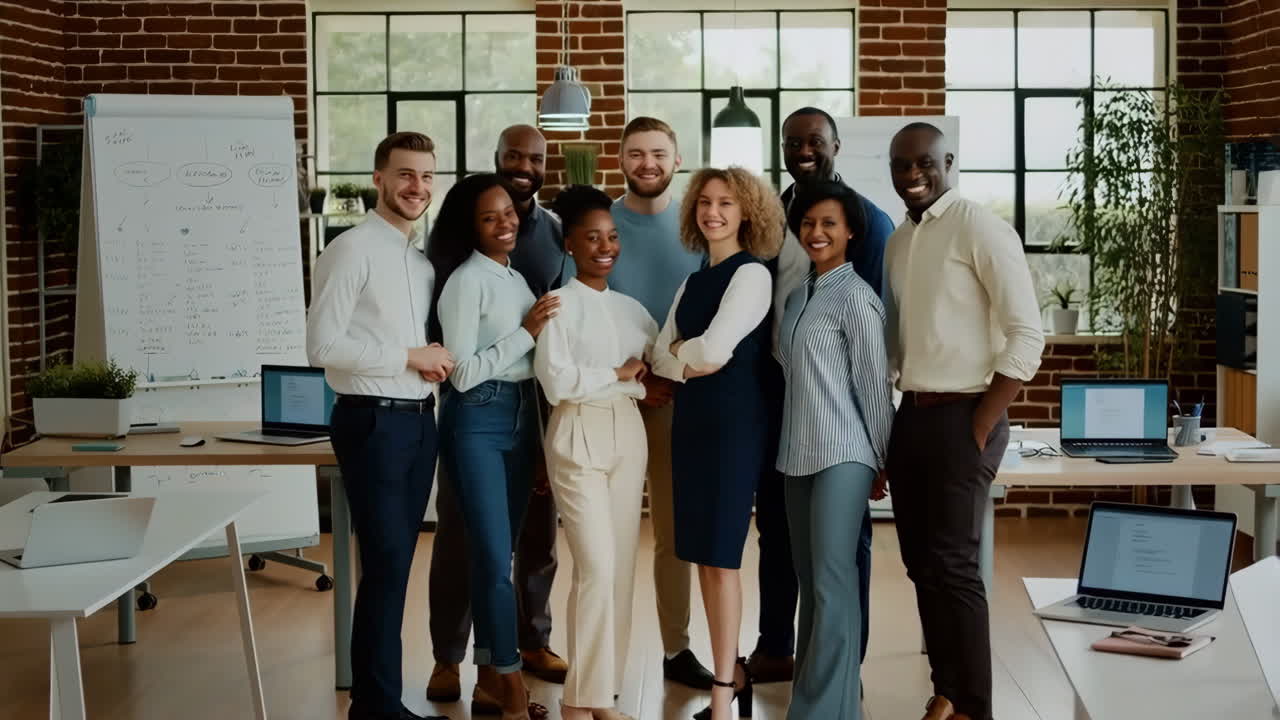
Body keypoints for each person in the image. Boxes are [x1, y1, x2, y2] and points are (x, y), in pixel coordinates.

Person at [883, 123, 1044, 720]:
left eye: (924, 162)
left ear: (948, 161)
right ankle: (946, 688)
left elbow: (1028, 334)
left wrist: (981, 424)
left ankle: (974, 705)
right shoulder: (899, 240)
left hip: (966, 414)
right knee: (920, 563)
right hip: (914, 415)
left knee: (953, 562)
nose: (913, 174)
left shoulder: (980, 226)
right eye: (902, 165)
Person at [306, 131, 454, 720]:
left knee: (396, 565)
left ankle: (378, 699)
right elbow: (321, 346)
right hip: (372, 422)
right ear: (379, 179)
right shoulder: (351, 250)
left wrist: (429, 359)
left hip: (419, 422)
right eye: (404, 174)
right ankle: (375, 704)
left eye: (425, 176)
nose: (416, 187)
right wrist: (408, 358)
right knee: (387, 563)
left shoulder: (418, 261)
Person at [749, 106, 896, 684]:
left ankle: (843, 662)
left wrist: (878, 445)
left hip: (836, 403)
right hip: (776, 394)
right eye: (793, 142)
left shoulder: (867, 220)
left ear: (836, 145)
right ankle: (776, 644)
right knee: (780, 532)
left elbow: (871, 328)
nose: (803, 150)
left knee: (841, 545)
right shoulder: (768, 215)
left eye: (816, 141)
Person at [428, 125, 569, 710]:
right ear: (470, 225)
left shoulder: (512, 276)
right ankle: (510, 684)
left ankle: (489, 675)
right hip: (477, 420)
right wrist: (528, 331)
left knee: (503, 555)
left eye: (508, 213)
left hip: (516, 418)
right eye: (490, 218)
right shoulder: (465, 282)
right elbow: (462, 374)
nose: (505, 222)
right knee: (489, 558)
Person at [651, 167, 785, 720]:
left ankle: (725, 692)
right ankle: (728, 676)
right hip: (692, 426)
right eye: (704, 202)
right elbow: (662, 356)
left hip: (733, 428)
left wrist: (685, 352)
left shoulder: (751, 275)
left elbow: (710, 355)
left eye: (726, 203)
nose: (713, 212)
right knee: (704, 557)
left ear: (747, 211)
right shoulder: (692, 280)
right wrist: (686, 353)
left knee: (723, 559)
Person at [534, 185, 657, 720]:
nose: (605, 246)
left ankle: (600, 696)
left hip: (628, 435)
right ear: (569, 246)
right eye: (592, 238)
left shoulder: (633, 311)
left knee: (622, 567)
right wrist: (618, 374)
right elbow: (557, 383)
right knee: (596, 567)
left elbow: (658, 365)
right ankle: (579, 701)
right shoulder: (556, 308)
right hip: (577, 434)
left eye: (611, 236)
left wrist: (641, 377)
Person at [776, 180, 894, 719]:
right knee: (812, 582)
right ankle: (834, 706)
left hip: (846, 452)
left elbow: (873, 385)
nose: (816, 232)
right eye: (807, 223)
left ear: (850, 232)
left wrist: (882, 459)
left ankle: (816, 712)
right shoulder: (799, 295)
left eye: (828, 223)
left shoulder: (859, 298)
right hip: (796, 454)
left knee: (831, 580)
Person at [608, 116, 715, 690]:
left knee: (675, 535)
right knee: (610, 535)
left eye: (658, 152)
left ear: (677, 159)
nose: (647, 163)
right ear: (621, 159)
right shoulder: (601, 223)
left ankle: (676, 649)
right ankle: (608, 655)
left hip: (679, 399)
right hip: (612, 401)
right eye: (636, 153)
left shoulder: (699, 226)